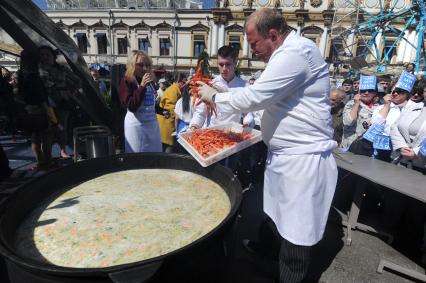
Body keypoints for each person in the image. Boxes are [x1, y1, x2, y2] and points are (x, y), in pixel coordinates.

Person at [196, 8, 337, 282]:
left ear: (272, 35)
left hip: (302, 162)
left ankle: (290, 277)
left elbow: (256, 96)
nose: (251, 51)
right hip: (284, 158)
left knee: (296, 235)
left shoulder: (295, 54)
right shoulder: (283, 54)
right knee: (274, 216)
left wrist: (214, 95)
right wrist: (224, 92)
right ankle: (269, 254)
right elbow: (263, 95)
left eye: (253, 43)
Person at [190, 45, 249, 129]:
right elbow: (201, 112)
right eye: (221, 65)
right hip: (212, 133)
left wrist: (247, 124)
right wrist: (194, 126)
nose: (224, 69)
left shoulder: (245, 86)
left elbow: (248, 113)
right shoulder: (210, 84)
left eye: (228, 64)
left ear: (235, 63)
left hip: (234, 134)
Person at [38, 45, 80, 159]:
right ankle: (47, 154)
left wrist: (71, 93)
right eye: (42, 55)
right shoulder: (37, 70)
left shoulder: (61, 69)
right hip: (45, 104)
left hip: (62, 103)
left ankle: (63, 150)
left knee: (62, 128)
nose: (45, 57)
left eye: (47, 54)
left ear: (53, 56)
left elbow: (77, 81)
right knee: (48, 129)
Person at [18, 49, 55, 171]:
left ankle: (40, 162)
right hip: (39, 108)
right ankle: (47, 161)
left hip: (28, 108)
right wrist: (47, 111)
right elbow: (40, 95)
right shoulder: (33, 75)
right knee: (46, 135)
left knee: (35, 136)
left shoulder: (21, 73)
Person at [119, 50, 161, 153]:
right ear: (132, 65)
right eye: (141, 65)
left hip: (152, 127)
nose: (145, 68)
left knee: (155, 157)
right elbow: (132, 106)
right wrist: (142, 86)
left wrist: (161, 110)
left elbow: (149, 104)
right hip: (137, 127)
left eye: (147, 65)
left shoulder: (150, 81)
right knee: (138, 159)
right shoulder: (127, 81)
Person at [341, 75, 380, 149]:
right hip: (350, 146)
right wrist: (356, 104)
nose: (366, 93)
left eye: (370, 90)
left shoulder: (378, 107)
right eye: (363, 90)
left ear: (375, 93)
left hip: (368, 147)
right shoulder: (351, 104)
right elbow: (348, 122)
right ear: (359, 91)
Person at [157, 73, 186, 152]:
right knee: (168, 148)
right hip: (167, 122)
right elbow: (170, 107)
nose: (184, 84)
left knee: (168, 146)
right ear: (178, 81)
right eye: (183, 82)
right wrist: (179, 116)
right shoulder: (173, 90)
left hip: (169, 122)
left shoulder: (175, 89)